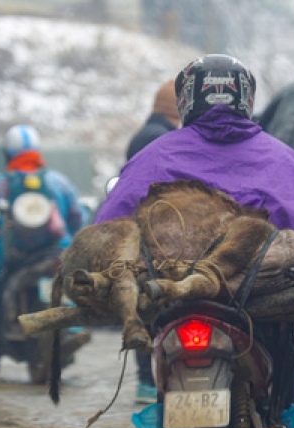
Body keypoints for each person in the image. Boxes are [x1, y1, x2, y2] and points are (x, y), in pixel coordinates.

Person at [96, 54, 294, 428]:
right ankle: (286, 423)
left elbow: (108, 227)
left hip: (176, 292)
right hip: (255, 292)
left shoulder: (155, 155)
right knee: (285, 340)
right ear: (246, 98)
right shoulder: (280, 157)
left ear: (188, 98)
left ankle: (159, 426)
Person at [0, 124, 90, 339]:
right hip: (57, 249)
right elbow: (77, 217)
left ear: (7, 154)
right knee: (70, 276)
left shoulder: (2, 183)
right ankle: (74, 328)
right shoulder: (58, 182)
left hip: (15, 250)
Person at [124, 80, 181, 405]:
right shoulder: (163, 140)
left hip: (143, 230)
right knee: (156, 302)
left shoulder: (144, 135)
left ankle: (148, 381)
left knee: (145, 301)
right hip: (159, 235)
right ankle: (150, 380)